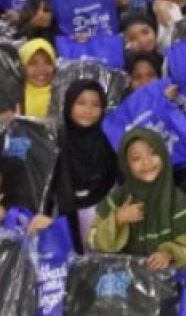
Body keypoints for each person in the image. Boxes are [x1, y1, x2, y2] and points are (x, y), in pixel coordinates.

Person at [90, 127, 186, 270]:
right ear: (126, 165)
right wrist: (118, 219)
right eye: (136, 158)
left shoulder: (177, 199)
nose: (146, 162)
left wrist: (168, 254)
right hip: (121, 277)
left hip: (162, 279)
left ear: (163, 155)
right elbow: (92, 239)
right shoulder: (117, 197)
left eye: (153, 153)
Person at [52, 80, 116, 251]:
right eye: (81, 103)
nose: (88, 110)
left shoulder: (110, 139)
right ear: (69, 105)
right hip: (63, 215)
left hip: (102, 214)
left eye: (96, 105)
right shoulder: (54, 140)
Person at [18, 39, 57, 118]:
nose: (41, 69)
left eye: (47, 62)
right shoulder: (14, 98)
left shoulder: (62, 95)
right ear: (23, 67)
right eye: (33, 63)